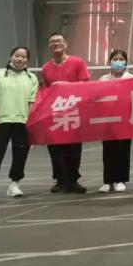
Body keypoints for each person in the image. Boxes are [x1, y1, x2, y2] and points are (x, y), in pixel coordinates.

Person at [0, 47, 38, 201]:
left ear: (27, 60)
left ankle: (14, 184)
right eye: (17, 55)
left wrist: (30, 122)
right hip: (2, 121)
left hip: (22, 122)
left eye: (23, 57)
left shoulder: (32, 78)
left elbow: (32, 101)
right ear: (11, 56)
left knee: (21, 154)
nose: (20, 59)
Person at [41, 31, 89, 194]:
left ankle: (73, 180)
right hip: (54, 113)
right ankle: (60, 180)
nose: (56, 43)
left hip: (74, 111)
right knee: (55, 148)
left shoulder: (78, 62)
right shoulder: (46, 68)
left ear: (66, 44)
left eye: (59, 40)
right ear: (49, 47)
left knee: (74, 147)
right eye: (52, 42)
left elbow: (84, 84)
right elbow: (45, 91)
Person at [98, 49, 133, 193]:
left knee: (123, 150)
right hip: (108, 120)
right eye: (115, 59)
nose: (118, 62)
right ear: (109, 62)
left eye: (121, 59)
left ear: (126, 62)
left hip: (125, 121)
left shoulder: (131, 78)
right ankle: (108, 181)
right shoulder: (103, 79)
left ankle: (121, 180)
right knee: (108, 151)